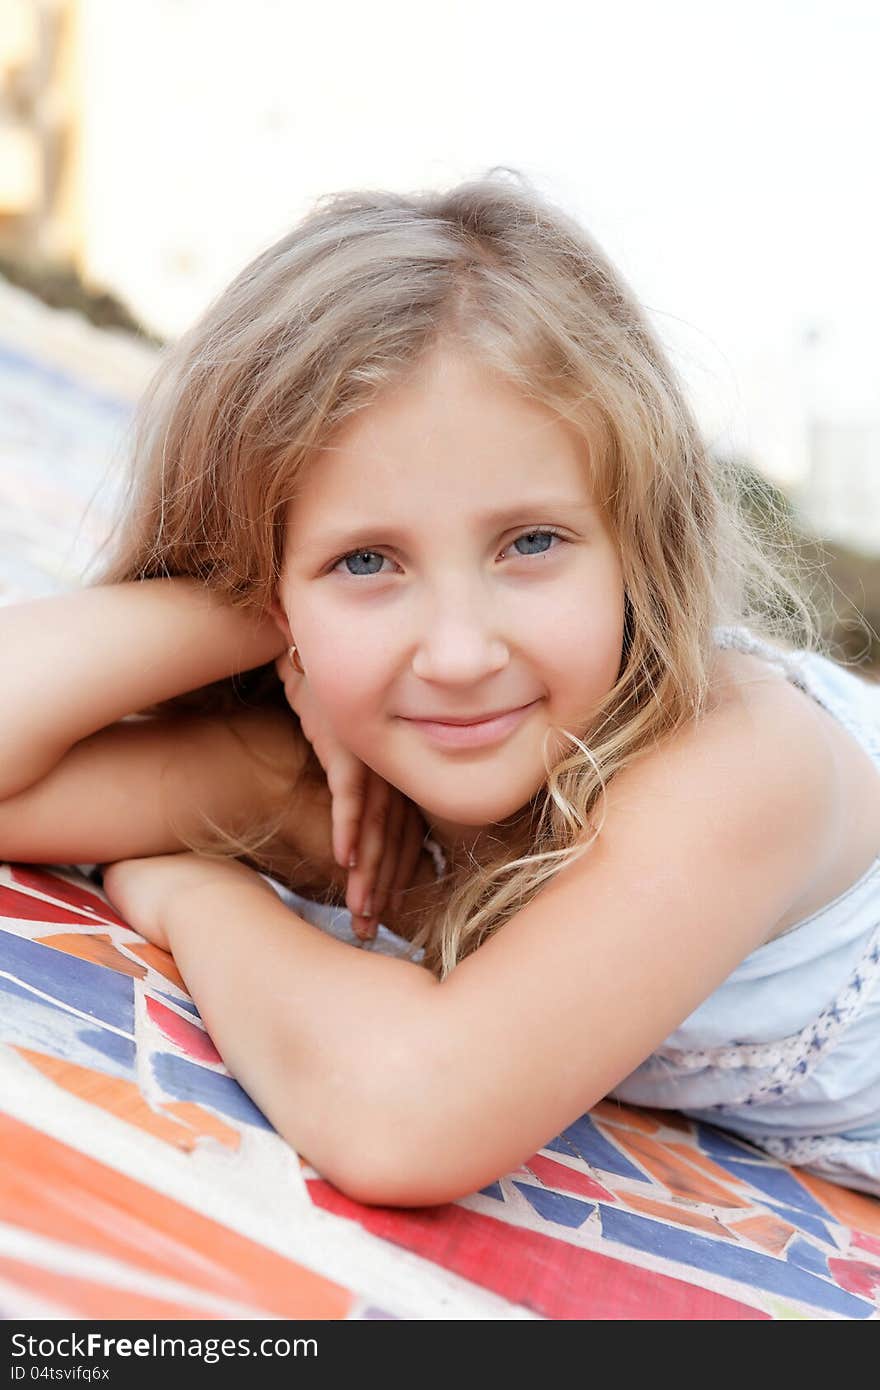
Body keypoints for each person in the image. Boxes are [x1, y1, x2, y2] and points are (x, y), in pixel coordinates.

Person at [1, 173, 878, 1208]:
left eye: (532, 542)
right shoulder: (335, 774)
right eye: (368, 560)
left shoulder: (738, 760)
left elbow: (407, 1119)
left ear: (639, 548)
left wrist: (199, 893)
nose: (458, 654)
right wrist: (259, 602)